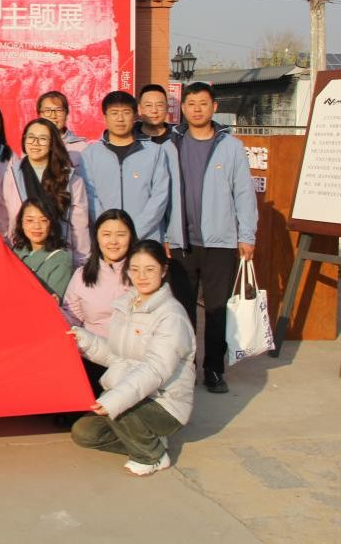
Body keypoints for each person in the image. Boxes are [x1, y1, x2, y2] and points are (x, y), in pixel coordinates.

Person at [69, 240, 196, 477]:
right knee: (84, 432)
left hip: (165, 401)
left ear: (163, 270)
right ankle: (149, 439)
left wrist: (116, 398)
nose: (142, 276)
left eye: (150, 269)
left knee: (118, 406)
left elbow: (156, 369)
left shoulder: (171, 315)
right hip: (134, 392)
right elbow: (118, 355)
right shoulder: (126, 305)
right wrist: (85, 341)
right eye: (135, 269)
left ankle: (152, 456)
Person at [167, 82, 257, 394]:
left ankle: (214, 370)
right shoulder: (171, 144)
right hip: (181, 242)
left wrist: (247, 235)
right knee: (183, 310)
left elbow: (243, 193)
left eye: (203, 103)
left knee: (217, 310)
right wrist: (164, 234)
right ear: (183, 108)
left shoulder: (231, 146)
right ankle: (186, 368)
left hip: (220, 242)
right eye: (191, 104)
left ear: (214, 107)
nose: (197, 109)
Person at [63, 209, 138, 395]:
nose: (113, 241)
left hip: (130, 358)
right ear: (96, 237)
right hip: (91, 355)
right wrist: (52, 309)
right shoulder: (82, 275)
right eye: (106, 234)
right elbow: (72, 316)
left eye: (121, 234)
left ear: (131, 237)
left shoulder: (140, 274)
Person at [80, 91, 171, 242]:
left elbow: (159, 197)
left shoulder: (155, 152)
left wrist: (134, 232)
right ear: (105, 117)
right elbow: (90, 197)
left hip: (146, 239)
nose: (120, 119)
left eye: (126, 112)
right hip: (107, 241)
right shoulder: (90, 154)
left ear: (135, 116)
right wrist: (110, 232)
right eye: (114, 113)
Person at [2, 119, 91, 265]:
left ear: (52, 144)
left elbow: (79, 226)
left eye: (43, 139)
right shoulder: (12, 174)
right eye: (31, 137)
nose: (35, 143)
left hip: (59, 256)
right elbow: (5, 219)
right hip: (22, 255)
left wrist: (81, 262)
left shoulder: (70, 179)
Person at [10, 198, 73, 304]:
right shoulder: (16, 250)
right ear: (21, 222)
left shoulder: (61, 259)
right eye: (30, 220)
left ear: (51, 223)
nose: (37, 226)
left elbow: (52, 303)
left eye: (43, 220)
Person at [36, 90, 87, 162]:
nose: (53, 116)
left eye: (58, 110)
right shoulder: (32, 145)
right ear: (39, 115)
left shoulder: (81, 147)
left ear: (66, 114)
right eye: (47, 111)